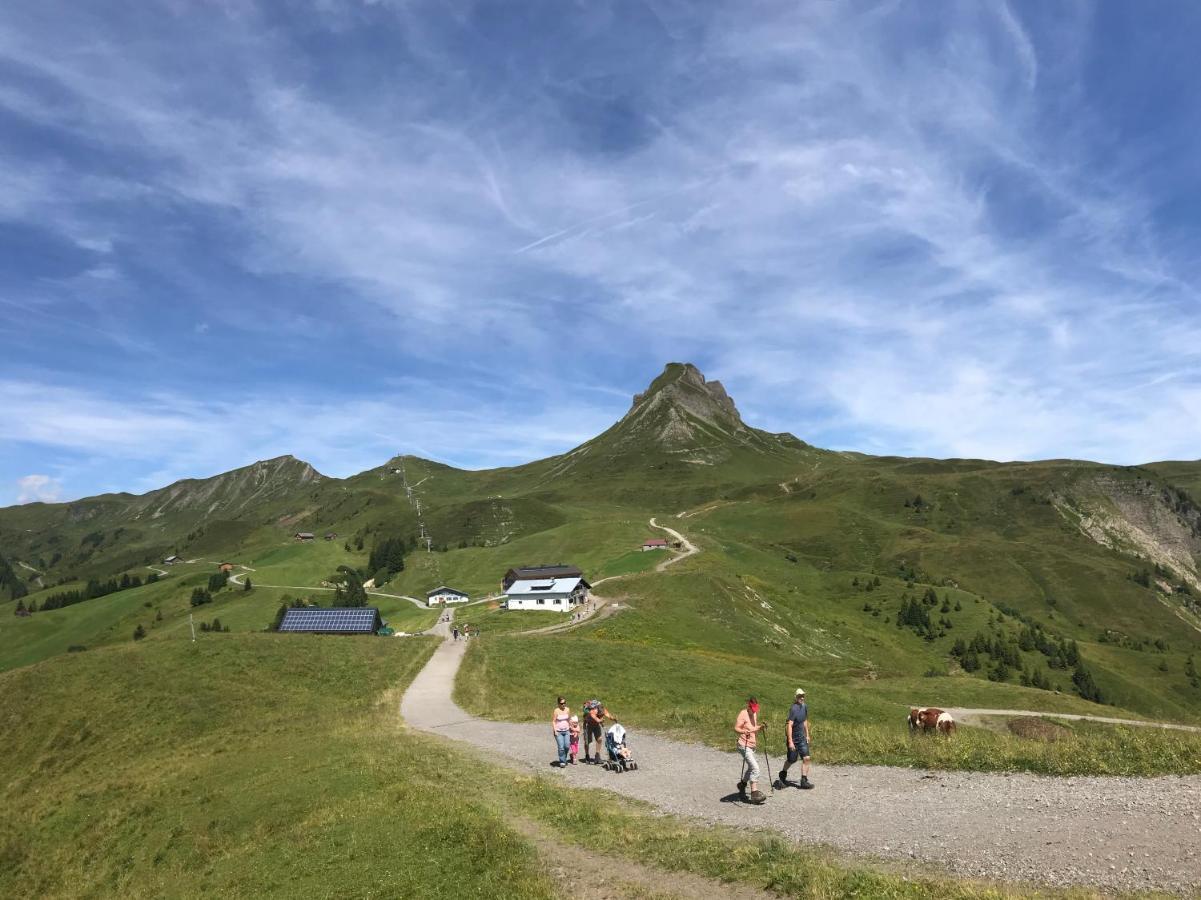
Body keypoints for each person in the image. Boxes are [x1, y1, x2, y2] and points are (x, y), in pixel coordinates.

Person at [778, 688, 814, 789]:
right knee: (791, 760)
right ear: (795, 697)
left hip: (802, 738)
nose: (801, 698)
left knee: (806, 758)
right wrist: (790, 742)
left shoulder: (805, 706)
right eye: (799, 696)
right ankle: (782, 774)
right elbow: (789, 725)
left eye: (803, 696)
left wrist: (807, 735)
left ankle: (804, 780)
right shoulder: (793, 709)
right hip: (793, 740)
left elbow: (805, 721)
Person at [735, 696, 766, 803]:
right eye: (753, 709)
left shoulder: (755, 714)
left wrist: (760, 727)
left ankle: (742, 784)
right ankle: (754, 793)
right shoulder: (743, 713)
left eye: (755, 709)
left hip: (752, 745)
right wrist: (744, 732)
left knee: (750, 767)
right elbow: (736, 728)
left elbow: (753, 727)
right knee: (755, 768)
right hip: (743, 744)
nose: (754, 711)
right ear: (749, 706)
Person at [583, 699, 612, 764]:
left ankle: (597, 756)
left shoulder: (599, 710)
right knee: (587, 741)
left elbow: (606, 715)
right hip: (588, 725)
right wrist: (601, 720)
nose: (600, 706)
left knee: (599, 739)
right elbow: (597, 720)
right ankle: (587, 755)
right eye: (598, 705)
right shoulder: (591, 712)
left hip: (596, 725)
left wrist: (613, 718)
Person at [551, 697, 572, 768]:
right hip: (558, 731)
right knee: (561, 747)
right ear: (558, 704)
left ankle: (564, 758)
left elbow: (569, 719)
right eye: (562, 703)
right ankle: (562, 761)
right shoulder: (556, 711)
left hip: (566, 730)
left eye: (564, 703)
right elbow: (553, 721)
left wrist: (572, 727)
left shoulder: (567, 709)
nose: (563, 704)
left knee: (567, 746)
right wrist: (555, 730)